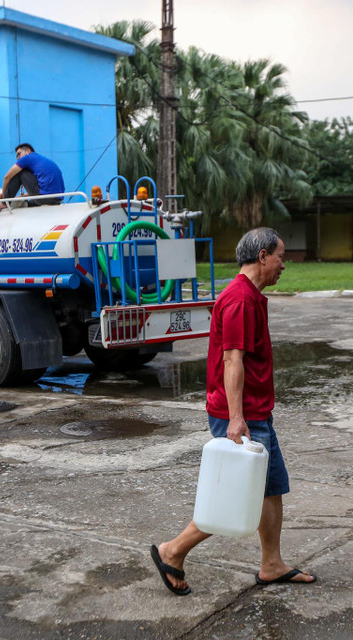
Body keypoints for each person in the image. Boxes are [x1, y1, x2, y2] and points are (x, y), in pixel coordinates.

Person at [150, 227, 316, 596]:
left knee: (271, 488)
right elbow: (232, 361)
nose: (283, 265)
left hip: (254, 412)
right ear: (262, 256)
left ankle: (271, 564)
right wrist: (237, 418)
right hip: (242, 415)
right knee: (238, 494)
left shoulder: (248, 295)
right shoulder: (240, 299)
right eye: (281, 257)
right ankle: (172, 551)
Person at [0, 143, 65, 211]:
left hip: (45, 198)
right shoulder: (40, 160)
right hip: (57, 200)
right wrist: (24, 196)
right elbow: (43, 186)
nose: (18, 158)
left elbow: (7, 177)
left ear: (28, 151)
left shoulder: (27, 158)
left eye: (19, 154)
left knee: (19, 172)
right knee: (29, 203)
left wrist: (3, 196)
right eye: (16, 156)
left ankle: (4, 204)